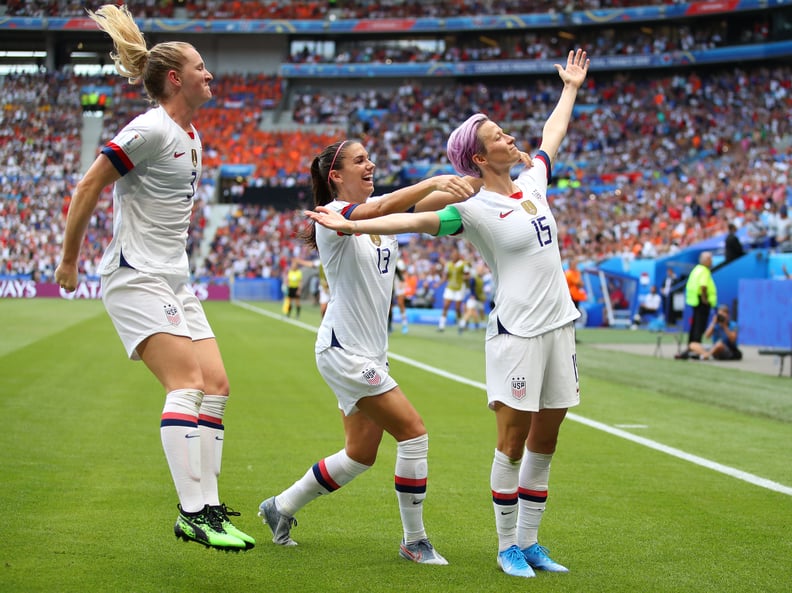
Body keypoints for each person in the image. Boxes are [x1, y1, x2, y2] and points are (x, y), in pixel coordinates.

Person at [307, 49, 590, 579]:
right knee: (511, 442)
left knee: (546, 440)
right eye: (498, 137)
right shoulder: (474, 207)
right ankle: (506, 546)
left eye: (506, 133)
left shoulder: (534, 182)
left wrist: (570, 87)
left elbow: (553, 136)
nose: (511, 138)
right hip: (517, 330)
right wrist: (353, 227)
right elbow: (416, 223)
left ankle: (531, 542)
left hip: (560, 326)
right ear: (479, 159)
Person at [53, 4, 254, 551]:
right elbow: (88, 187)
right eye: (200, 67)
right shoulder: (149, 129)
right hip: (136, 274)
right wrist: (69, 261)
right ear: (174, 78)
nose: (209, 74)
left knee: (216, 386)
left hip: (175, 280)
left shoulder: (190, 136)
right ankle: (193, 514)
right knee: (186, 385)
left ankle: (210, 507)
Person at [258, 139, 479, 564]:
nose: (371, 164)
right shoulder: (333, 216)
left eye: (369, 158)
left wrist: (475, 182)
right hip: (345, 351)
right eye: (360, 160)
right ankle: (414, 541)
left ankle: (280, 506)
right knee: (414, 434)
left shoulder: (381, 209)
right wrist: (433, 179)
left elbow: (419, 204)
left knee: (360, 455)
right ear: (335, 177)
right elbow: (381, 209)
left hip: (370, 352)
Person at [683, 251, 716, 349]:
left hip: (694, 301)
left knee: (695, 324)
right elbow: (703, 286)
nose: (711, 261)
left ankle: (691, 345)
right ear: (706, 260)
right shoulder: (704, 270)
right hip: (701, 301)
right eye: (710, 259)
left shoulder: (696, 269)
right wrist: (704, 299)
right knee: (700, 325)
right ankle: (696, 346)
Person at [437, 247, 469, 332]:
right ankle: (441, 326)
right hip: (450, 287)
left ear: (458, 256)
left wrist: (463, 277)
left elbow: (468, 275)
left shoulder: (463, 264)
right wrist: (439, 283)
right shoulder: (448, 265)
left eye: (455, 255)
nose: (454, 256)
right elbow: (445, 277)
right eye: (453, 255)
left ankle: (460, 324)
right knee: (446, 306)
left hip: (459, 288)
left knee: (457, 308)